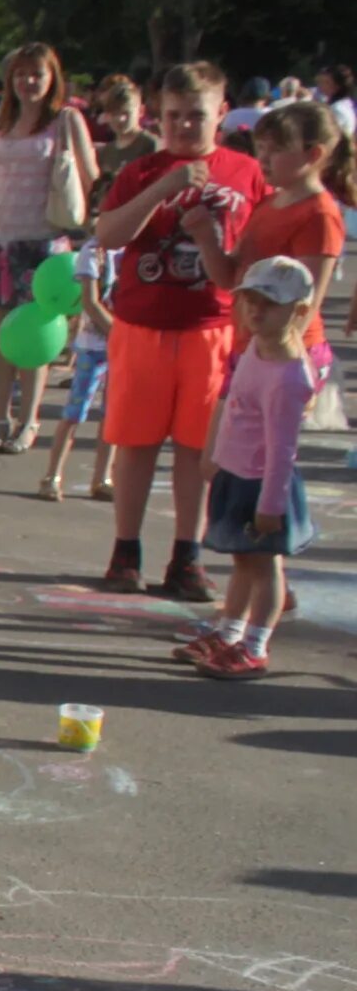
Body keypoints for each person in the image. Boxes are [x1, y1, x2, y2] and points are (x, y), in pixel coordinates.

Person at [90, 61, 267, 599]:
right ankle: (126, 548)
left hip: (212, 327)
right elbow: (109, 234)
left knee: (196, 448)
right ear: (157, 116)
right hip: (143, 323)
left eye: (197, 116)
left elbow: (258, 249)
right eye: (173, 117)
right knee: (137, 441)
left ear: (220, 114)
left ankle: (185, 555)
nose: (185, 127)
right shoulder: (141, 170)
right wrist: (163, 187)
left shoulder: (244, 171)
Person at [182, 256, 320, 679]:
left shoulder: (288, 377)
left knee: (265, 566)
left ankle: (255, 645)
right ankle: (229, 632)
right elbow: (232, 410)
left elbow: (282, 449)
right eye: (250, 301)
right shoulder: (253, 351)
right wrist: (215, 455)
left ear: (297, 312)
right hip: (237, 474)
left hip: (264, 485)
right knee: (243, 562)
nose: (256, 311)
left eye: (269, 304)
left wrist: (271, 504)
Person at [0, 43, 95, 452]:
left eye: (36, 74)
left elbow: (91, 176)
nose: (28, 82)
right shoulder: (0, 126)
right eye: (20, 74)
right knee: (0, 334)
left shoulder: (65, 120)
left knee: (35, 336)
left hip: (43, 242)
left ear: (52, 78)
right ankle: (0, 418)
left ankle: (29, 421)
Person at [217, 99, 350, 418]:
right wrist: (205, 237)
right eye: (260, 147)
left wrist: (270, 357)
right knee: (222, 460)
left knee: (262, 460)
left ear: (313, 154)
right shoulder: (270, 203)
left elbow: (305, 303)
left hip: (282, 353)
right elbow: (229, 277)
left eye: (275, 149)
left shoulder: (319, 214)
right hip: (249, 345)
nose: (262, 157)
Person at [36, 237, 117, 503]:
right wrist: (121, 334)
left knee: (113, 416)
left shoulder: (143, 249)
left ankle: (103, 477)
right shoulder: (94, 251)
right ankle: (52, 475)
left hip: (125, 348)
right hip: (94, 346)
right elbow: (90, 302)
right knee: (74, 412)